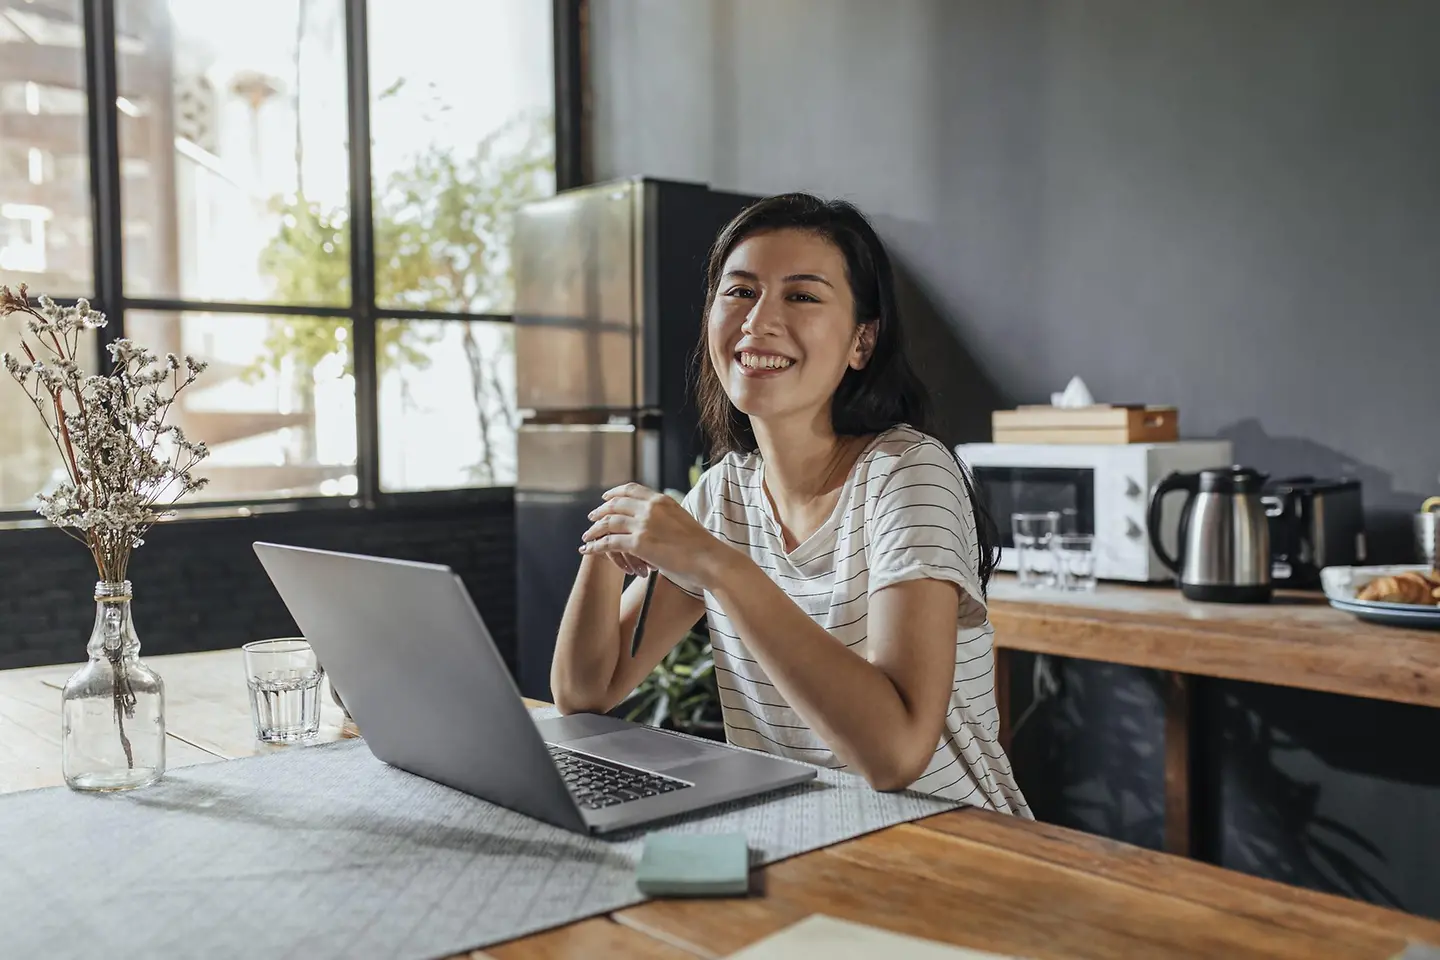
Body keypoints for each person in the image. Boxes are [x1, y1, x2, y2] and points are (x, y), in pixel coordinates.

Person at [550, 193, 1030, 815]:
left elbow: (897, 754)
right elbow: (584, 692)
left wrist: (719, 568)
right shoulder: (726, 494)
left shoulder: (908, 473)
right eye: (740, 291)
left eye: (801, 296)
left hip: (954, 846)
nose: (758, 321)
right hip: (806, 838)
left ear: (862, 341)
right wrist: (607, 542)